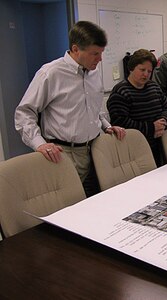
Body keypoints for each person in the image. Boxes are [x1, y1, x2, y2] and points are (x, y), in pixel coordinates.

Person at [15, 21, 126, 197]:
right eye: (95, 54)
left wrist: (106, 125)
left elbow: (92, 107)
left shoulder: (93, 71)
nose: (100, 59)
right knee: (69, 204)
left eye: (101, 53)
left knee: (97, 200)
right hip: (64, 153)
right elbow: (24, 113)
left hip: (95, 148)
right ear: (76, 49)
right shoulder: (50, 73)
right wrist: (39, 144)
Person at [107, 49, 167, 166]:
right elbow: (121, 123)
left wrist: (163, 122)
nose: (146, 74)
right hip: (133, 152)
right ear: (131, 68)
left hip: (158, 146)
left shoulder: (154, 87)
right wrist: (152, 128)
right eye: (142, 70)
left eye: (149, 71)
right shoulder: (120, 92)